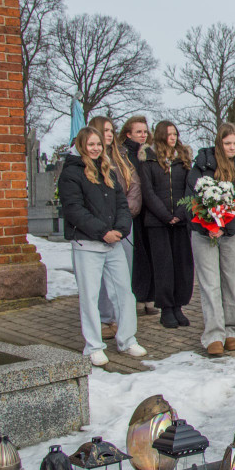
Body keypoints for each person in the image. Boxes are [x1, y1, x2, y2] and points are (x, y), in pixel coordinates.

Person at [58, 126, 147, 367]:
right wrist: (102, 232)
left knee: (124, 293)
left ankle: (127, 339)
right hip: (88, 243)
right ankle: (94, 346)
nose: (96, 148)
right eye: (91, 145)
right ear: (81, 146)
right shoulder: (71, 174)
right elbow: (74, 210)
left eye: (98, 144)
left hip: (113, 242)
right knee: (90, 295)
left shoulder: (106, 170)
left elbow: (121, 203)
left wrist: (120, 229)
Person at [187, 123, 235, 357]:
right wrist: (208, 225)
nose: (232, 148)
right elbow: (191, 197)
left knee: (232, 281)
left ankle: (232, 330)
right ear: (219, 143)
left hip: (231, 233)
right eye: (227, 143)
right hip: (204, 232)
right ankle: (214, 334)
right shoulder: (202, 165)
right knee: (210, 283)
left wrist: (226, 227)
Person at [139, 121, 194, 329]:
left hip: (180, 221)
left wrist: (180, 214)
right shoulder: (149, 161)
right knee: (163, 266)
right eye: (169, 134)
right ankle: (166, 309)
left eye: (175, 134)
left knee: (181, 265)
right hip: (157, 222)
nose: (173, 137)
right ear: (161, 136)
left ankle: (179, 305)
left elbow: (190, 187)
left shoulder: (183, 159)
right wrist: (164, 215)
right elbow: (148, 192)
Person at [89, 115, 140, 341]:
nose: (109, 134)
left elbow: (134, 187)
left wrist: (123, 216)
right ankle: (104, 318)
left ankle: (121, 320)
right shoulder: (90, 161)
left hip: (124, 224)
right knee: (100, 276)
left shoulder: (122, 157)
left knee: (123, 274)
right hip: (100, 228)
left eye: (111, 130)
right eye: (105, 130)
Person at [119, 115, 157, 315]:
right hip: (132, 211)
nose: (143, 135)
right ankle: (136, 296)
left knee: (150, 254)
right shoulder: (123, 154)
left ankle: (149, 296)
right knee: (135, 256)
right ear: (128, 134)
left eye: (145, 132)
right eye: (138, 132)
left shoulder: (149, 152)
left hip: (148, 211)